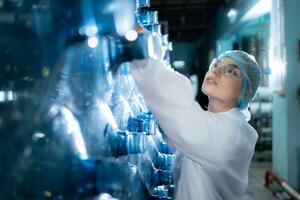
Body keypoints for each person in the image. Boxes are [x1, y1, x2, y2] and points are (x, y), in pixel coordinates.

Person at [129, 34, 261, 200]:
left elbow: (177, 107)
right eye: (216, 64)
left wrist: (142, 46)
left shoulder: (231, 133)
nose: (217, 71)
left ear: (246, 94)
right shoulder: (215, 124)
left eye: (232, 72)